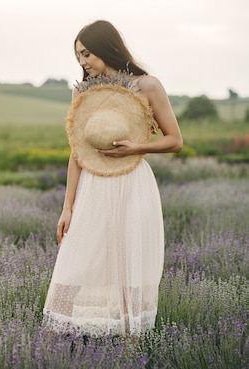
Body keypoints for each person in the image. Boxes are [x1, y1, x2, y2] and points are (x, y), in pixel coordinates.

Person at [42, 20, 183, 337]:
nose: (82, 63)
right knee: (76, 260)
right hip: (93, 186)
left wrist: (139, 147)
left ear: (107, 48)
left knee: (127, 262)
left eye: (87, 54)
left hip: (133, 183)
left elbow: (175, 140)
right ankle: (59, 342)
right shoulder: (82, 92)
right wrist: (68, 207)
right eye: (78, 56)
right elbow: (77, 151)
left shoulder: (147, 86)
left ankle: (130, 344)